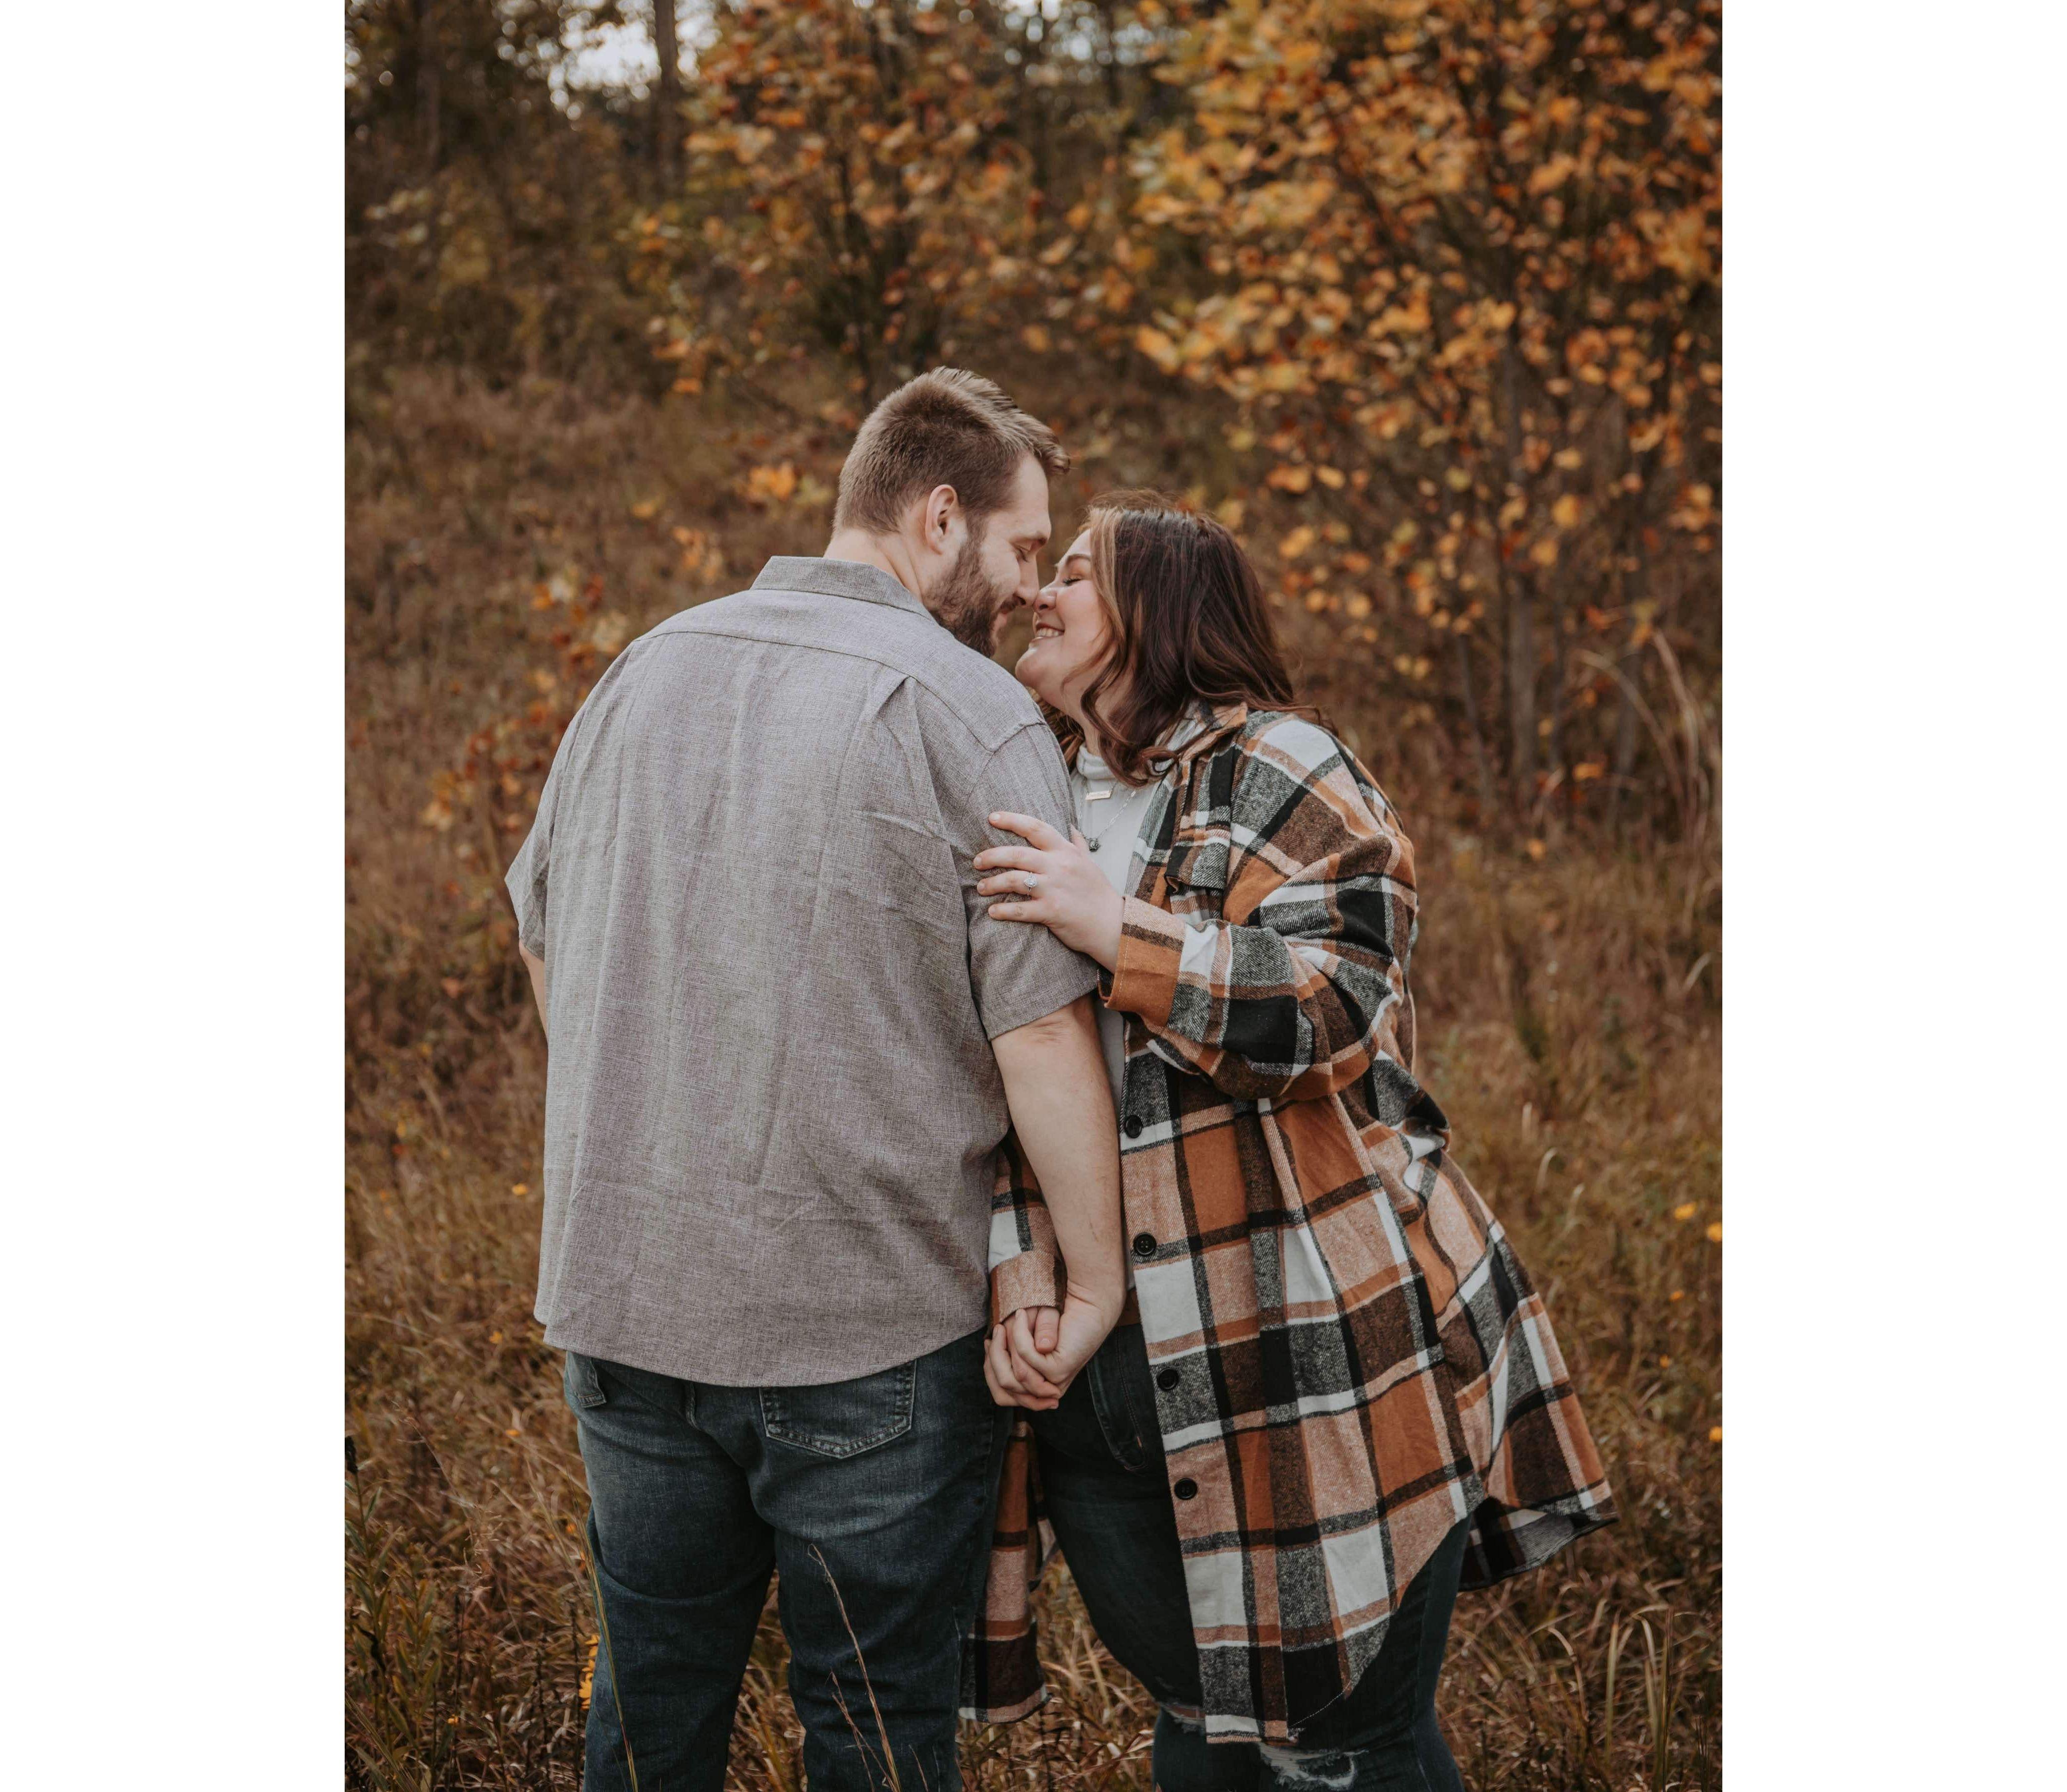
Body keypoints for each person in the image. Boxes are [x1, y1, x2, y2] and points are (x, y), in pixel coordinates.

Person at [505, 370, 1126, 1792]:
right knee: (873, 1730)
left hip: (626, 1305)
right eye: (1025, 549)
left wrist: (661, 1101)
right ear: (939, 514)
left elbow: (541, 930)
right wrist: (1091, 1281)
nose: (1030, 591)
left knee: (650, 1715)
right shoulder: (972, 714)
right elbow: (1040, 1036)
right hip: (868, 1338)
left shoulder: (641, 669)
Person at [967, 492, 1616, 1790]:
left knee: (1347, 1747)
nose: (1039, 592)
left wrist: (1117, 929)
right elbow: (993, 1072)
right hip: (1105, 1364)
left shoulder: (1282, 763)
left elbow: (1335, 1005)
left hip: (1299, 1333)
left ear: (1159, 610)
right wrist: (1020, 1271)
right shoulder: (1023, 784)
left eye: (1076, 573)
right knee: (1203, 1724)